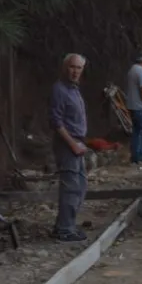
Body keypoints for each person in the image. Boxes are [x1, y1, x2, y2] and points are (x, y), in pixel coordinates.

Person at [49, 53, 89, 242]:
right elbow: (56, 122)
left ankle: (66, 225)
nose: (75, 71)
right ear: (65, 68)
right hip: (67, 145)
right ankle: (64, 230)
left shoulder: (74, 90)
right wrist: (73, 144)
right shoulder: (59, 89)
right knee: (71, 188)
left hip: (77, 143)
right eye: (72, 67)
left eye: (79, 68)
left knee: (80, 186)